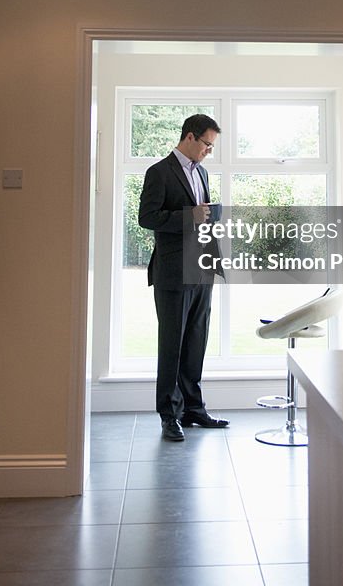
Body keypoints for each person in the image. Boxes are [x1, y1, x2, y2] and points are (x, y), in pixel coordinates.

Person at [138, 113, 229, 441]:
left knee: (195, 343)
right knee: (172, 345)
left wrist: (207, 216)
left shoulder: (201, 173)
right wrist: (189, 216)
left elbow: (198, 215)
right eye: (207, 143)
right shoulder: (159, 172)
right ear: (190, 137)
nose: (209, 151)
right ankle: (169, 416)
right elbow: (147, 218)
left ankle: (193, 409)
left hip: (202, 269)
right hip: (173, 273)